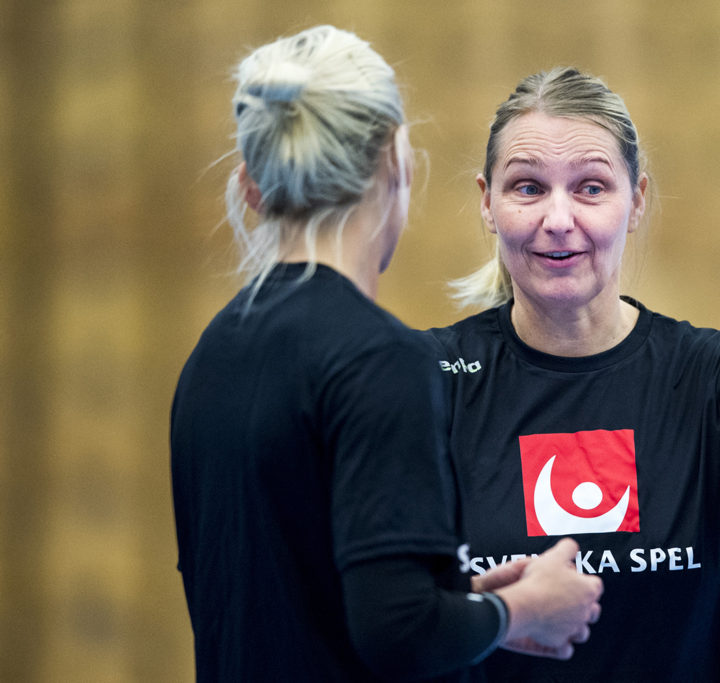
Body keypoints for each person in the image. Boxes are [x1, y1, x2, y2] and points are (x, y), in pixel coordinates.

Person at [427, 67, 720, 681]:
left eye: (591, 188)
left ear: (637, 200)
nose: (558, 218)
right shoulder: (423, 380)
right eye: (529, 188)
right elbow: (374, 608)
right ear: (488, 203)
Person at [170, 29, 602, 683]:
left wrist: (469, 605)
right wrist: (526, 608)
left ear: (251, 186)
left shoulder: (215, 351)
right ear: (395, 163)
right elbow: (398, 633)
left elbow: (295, 598)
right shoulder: (380, 361)